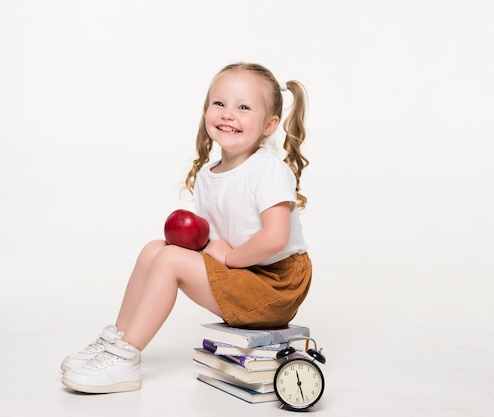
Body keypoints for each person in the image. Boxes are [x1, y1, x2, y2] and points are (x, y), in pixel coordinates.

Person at [61, 62, 312, 394]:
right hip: (243, 272)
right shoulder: (209, 176)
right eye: (219, 103)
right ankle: (115, 341)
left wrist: (232, 258)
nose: (227, 114)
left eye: (243, 107)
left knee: (169, 261)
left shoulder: (267, 169)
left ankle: (127, 359)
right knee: (156, 250)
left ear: (269, 125)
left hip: (275, 284)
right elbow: (216, 240)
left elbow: (276, 236)